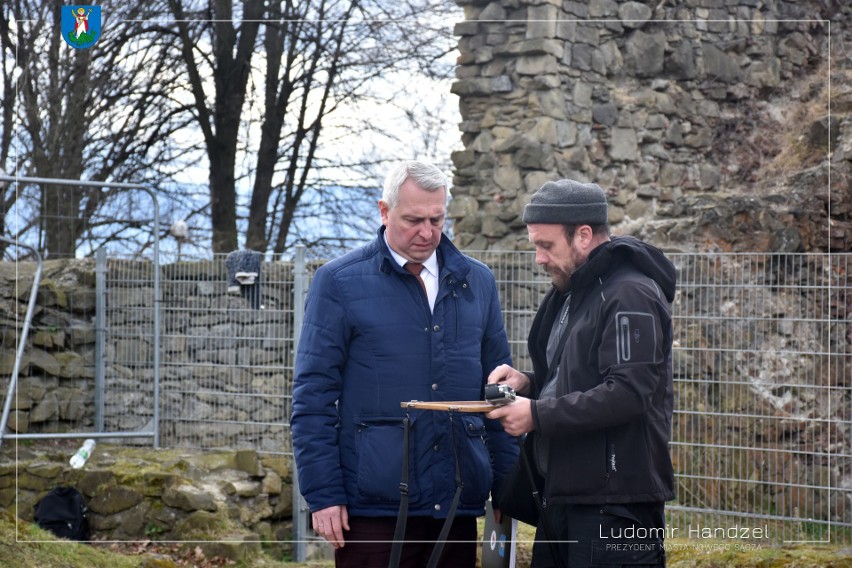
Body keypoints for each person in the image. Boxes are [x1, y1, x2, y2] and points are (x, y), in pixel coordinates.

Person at [291, 160, 518, 568]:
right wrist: (323, 494)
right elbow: (313, 398)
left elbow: (499, 391)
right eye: (414, 219)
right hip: (373, 508)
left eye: (437, 219)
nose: (427, 233)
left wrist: (507, 486)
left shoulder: (477, 282)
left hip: (457, 499)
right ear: (384, 211)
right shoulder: (339, 282)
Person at [486, 179, 676, 567]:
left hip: (615, 510)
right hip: (563, 500)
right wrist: (529, 383)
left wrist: (535, 414)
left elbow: (629, 392)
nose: (538, 258)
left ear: (584, 235)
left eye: (546, 245)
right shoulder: (575, 292)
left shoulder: (629, 295)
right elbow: (582, 378)